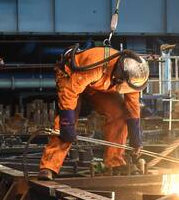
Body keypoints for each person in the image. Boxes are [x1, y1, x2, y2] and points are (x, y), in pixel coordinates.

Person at [38, 46, 149, 180]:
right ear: (120, 75)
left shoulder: (133, 77)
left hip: (98, 85)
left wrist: (135, 136)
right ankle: (49, 167)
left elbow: (132, 106)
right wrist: (67, 123)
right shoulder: (96, 66)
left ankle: (114, 162)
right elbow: (69, 93)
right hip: (72, 80)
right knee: (66, 122)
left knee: (119, 114)